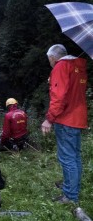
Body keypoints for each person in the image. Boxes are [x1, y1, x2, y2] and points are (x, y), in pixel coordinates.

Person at [41, 44, 88, 204]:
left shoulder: (61, 67)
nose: (49, 62)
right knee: (74, 157)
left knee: (67, 158)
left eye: (49, 59)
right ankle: (71, 186)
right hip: (78, 117)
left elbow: (59, 97)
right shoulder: (78, 67)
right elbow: (73, 91)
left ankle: (70, 196)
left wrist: (49, 119)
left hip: (66, 119)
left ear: (53, 57)